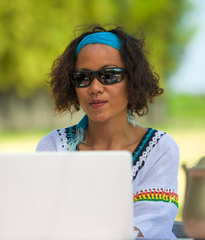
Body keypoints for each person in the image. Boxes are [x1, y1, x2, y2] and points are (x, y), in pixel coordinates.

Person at [36, 24, 179, 239]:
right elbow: (38, 220)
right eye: (82, 77)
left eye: (109, 75)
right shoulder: (52, 147)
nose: (94, 87)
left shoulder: (160, 149)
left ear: (133, 79)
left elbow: (148, 229)